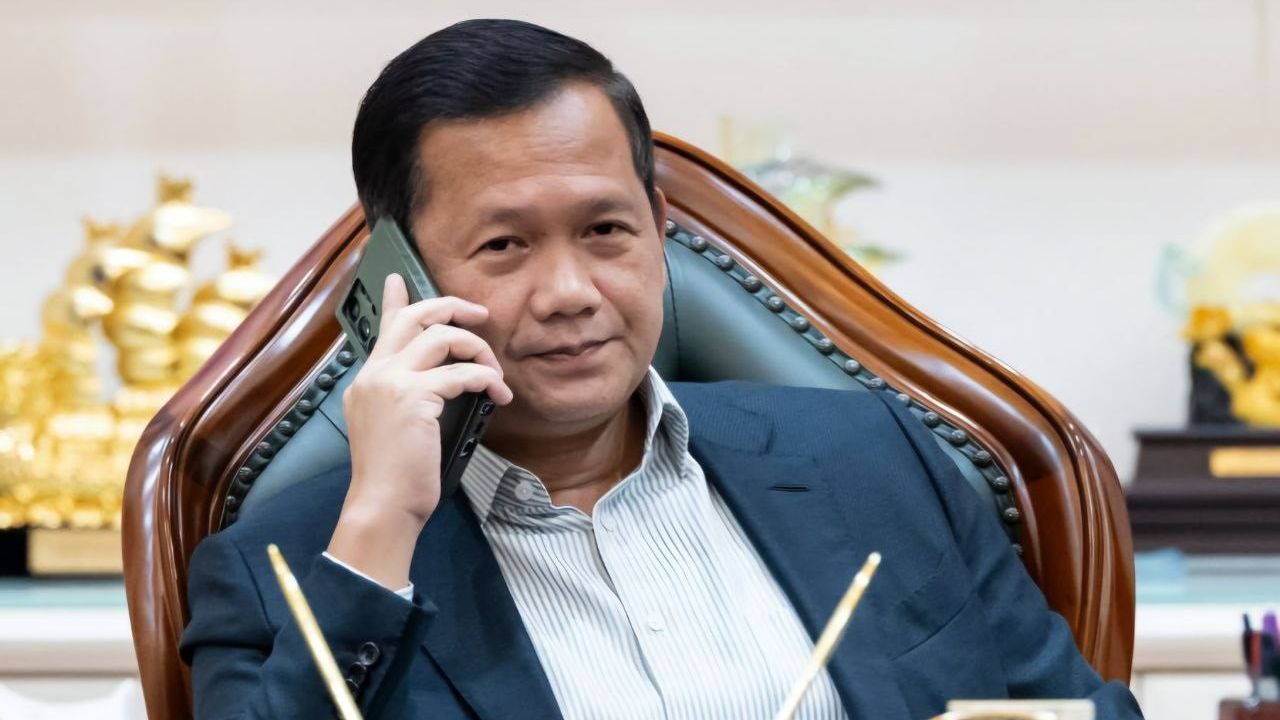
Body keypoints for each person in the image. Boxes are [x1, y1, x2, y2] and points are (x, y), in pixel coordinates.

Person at [180, 18, 1145, 720]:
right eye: (505, 245)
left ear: (659, 227)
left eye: (606, 230)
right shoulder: (281, 572)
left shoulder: (875, 460)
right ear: (401, 277)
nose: (570, 292)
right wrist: (382, 526)